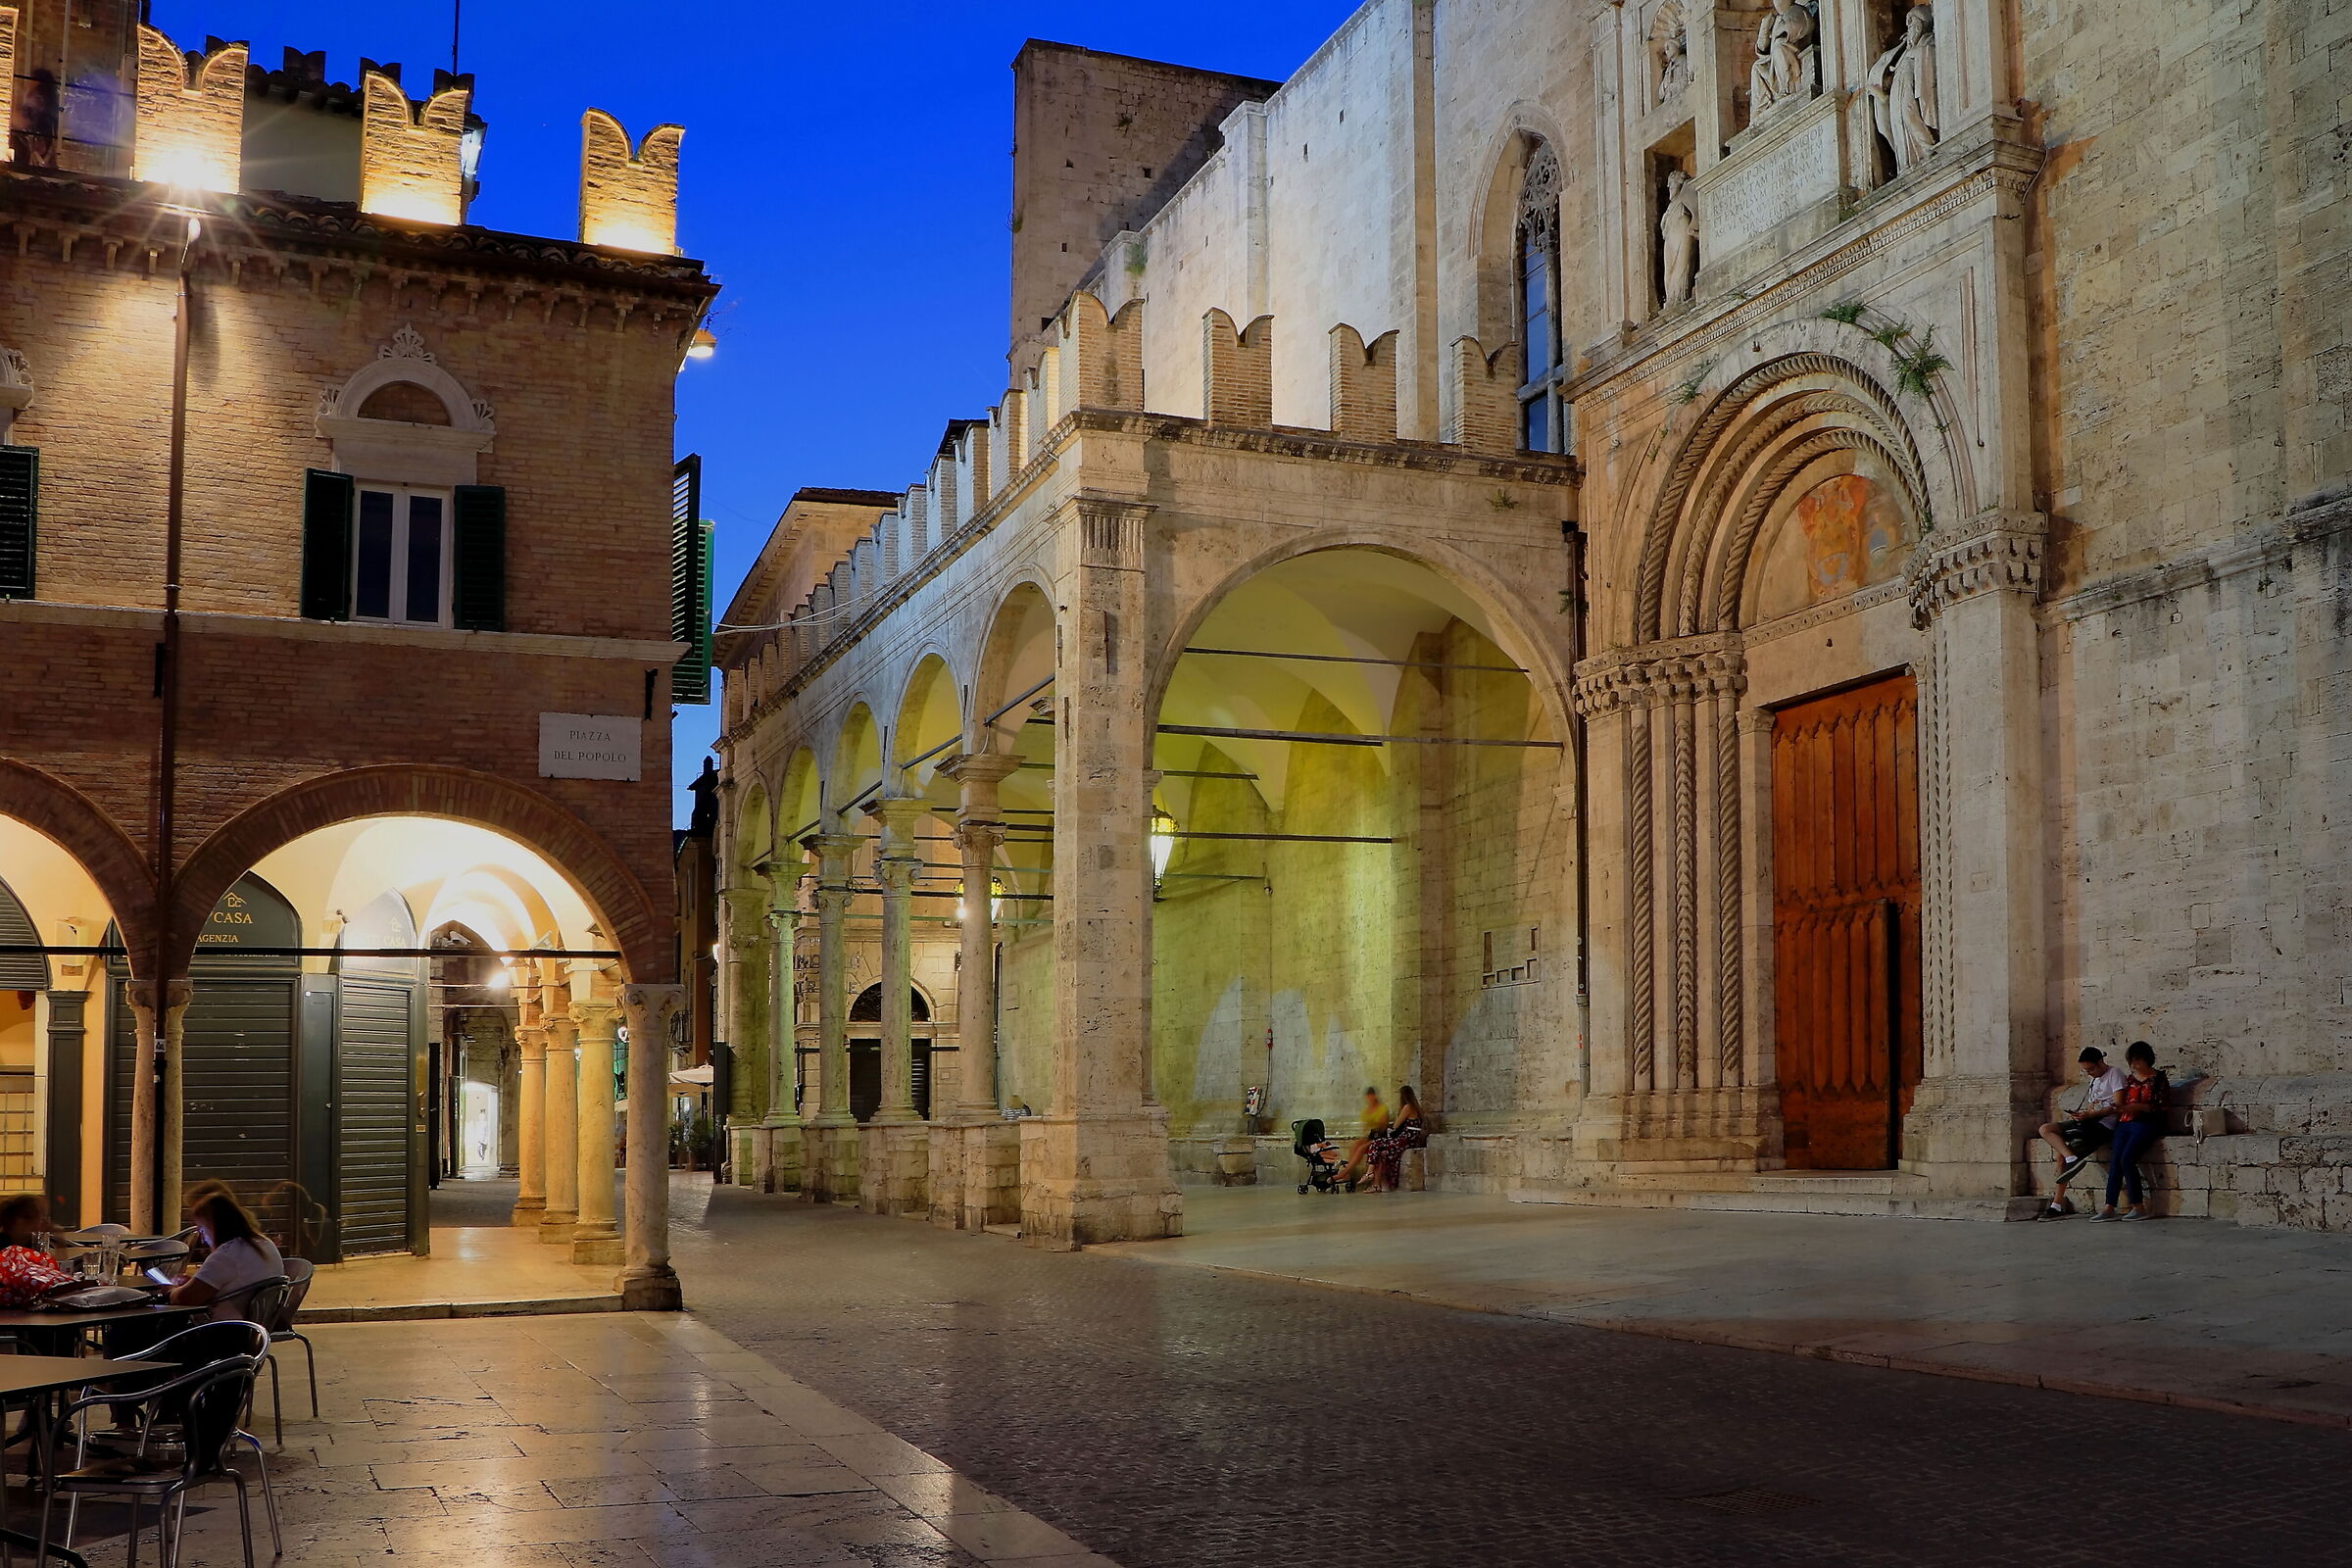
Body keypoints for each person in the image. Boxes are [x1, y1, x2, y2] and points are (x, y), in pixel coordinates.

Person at [2033, 1047, 2126, 1218]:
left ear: (2100, 1062)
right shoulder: (2095, 1081)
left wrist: (2092, 1114)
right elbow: (2094, 1104)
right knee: (2046, 1129)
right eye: (2085, 1070)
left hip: (2103, 1127)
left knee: (2062, 1156)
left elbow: (2118, 1105)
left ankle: (2057, 1204)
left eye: (2091, 1069)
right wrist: (2083, 1114)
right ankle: (2072, 1158)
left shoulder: (2115, 1074)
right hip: (2088, 1121)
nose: (2089, 1073)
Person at [169, 1192, 283, 1320]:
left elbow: (184, 1299)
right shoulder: (264, 1243)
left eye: (202, 1230)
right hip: (257, 1325)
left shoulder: (226, 1255)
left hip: (223, 1329)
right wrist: (195, 1282)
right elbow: (235, 1282)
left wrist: (169, 1289)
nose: (203, 1239)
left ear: (215, 1227)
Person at [2094, 1041, 2170, 1222]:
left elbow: (2162, 1106)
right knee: (2116, 1162)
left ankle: (2138, 1206)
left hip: (2146, 1123)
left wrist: (2139, 1107)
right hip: (2126, 1122)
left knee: (2127, 1159)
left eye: (2137, 1061)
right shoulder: (2130, 1080)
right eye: (2132, 1062)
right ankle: (2109, 1206)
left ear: (2147, 1060)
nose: (2134, 1066)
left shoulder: (2158, 1079)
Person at [0, 1195, 74, 1308]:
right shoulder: (6, 1247)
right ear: (17, 1221)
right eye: (38, 1218)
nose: (42, 1222)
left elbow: (58, 1272)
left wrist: (59, 1242)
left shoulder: (33, 1245)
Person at [1363, 1085, 1429, 1194]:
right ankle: (1375, 1184)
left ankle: (1369, 1174)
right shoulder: (1416, 1107)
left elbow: (1396, 1125)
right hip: (1412, 1138)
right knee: (1381, 1152)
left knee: (1376, 1143)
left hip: (1407, 1138)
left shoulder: (1407, 1107)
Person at [1340, 1087, 1390, 1191]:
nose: (1370, 1099)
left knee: (1361, 1148)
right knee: (1355, 1145)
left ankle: (1343, 1173)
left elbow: (1383, 1125)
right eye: (1368, 1097)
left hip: (1380, 1136)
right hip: (1372, 1135)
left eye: (1371, 1096)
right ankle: (1348, 1173)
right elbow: (1366, 1127)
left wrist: (1375, 1122)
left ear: (1374, 1096)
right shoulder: (1366, 1111)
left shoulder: (1382, 1109)